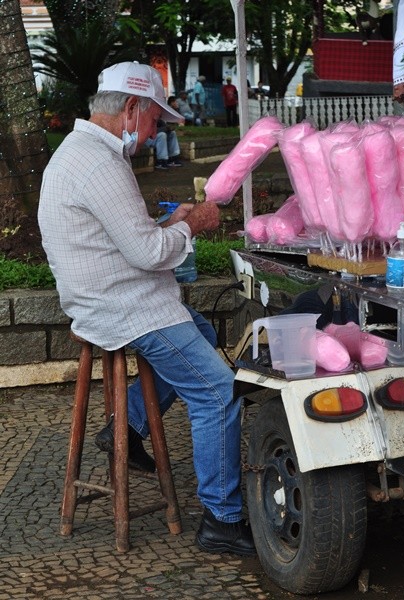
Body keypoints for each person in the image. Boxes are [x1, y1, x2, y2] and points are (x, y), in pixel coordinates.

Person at [37, 61, 255, 557]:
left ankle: (126, 425)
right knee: (219, 393)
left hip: (108, 298)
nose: (156, 133)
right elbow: (148, 254)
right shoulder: (99, 164)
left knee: (200, 333)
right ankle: (222, 519)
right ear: (132, 109)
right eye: (156, 121)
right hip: (124, 307)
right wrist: (195, 223)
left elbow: (128, 238)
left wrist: (171, 221)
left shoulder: (82, 152)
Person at [145, 102, 183, 169]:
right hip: (146, 140)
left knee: (172, 133)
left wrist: (169, 129)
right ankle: (161, 162)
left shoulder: (159, 119)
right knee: (162, 135)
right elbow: (149, 132)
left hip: (155, 139)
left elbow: (164, 127)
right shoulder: (146, 117)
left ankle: (173, 158)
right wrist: (165, 129)